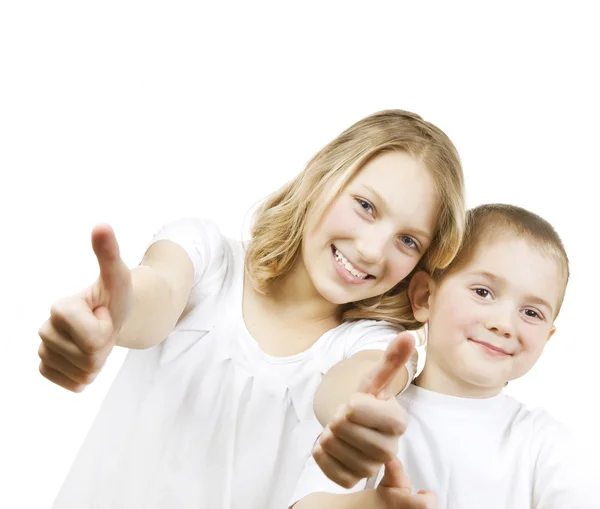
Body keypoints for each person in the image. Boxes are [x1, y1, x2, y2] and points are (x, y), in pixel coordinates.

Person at [37, 110, 465, 509]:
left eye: (408, 241)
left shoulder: (371, 344)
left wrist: (359, 414)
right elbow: (157, 294)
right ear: (321, 174)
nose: (373, 251)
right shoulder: (207, 258)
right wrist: (114, 316)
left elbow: (356, 388)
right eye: (366, 206)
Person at [291, 204, 594, 509]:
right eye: (483, 292)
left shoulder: (546, 445)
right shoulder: (371, 415)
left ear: (547, 337)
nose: (503, 324)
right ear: (425, 297)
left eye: (531, 313)